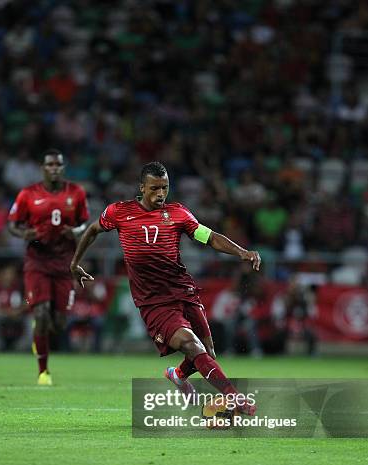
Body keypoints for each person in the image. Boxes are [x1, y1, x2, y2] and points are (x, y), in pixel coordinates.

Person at [71, 161, 261, 414]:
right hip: (153, 301)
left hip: (184, 290)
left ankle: (178, 375)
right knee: (193, 346)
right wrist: (75, 263)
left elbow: (210, 237)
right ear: (142, 188)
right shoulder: (119, 212)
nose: (160, 194)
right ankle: (235, 399)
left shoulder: (179, 213)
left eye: (165, 188)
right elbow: (93, 230)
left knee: (208, 353)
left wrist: (241, 252)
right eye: (154, 188)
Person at [8, 149, 89, 385]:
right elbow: (12, 224)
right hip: (37, 261)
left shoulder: (76, 192)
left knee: (60, 323)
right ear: (43, 168)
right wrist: (25, 233)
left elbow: (85, 223)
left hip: (65, 262)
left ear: (63, 168)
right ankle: (43, 371)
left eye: (58, 165)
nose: (54, 168)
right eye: (50, 164)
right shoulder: (28, 194)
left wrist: (73, 231)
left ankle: (40, 333)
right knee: (41, 314)